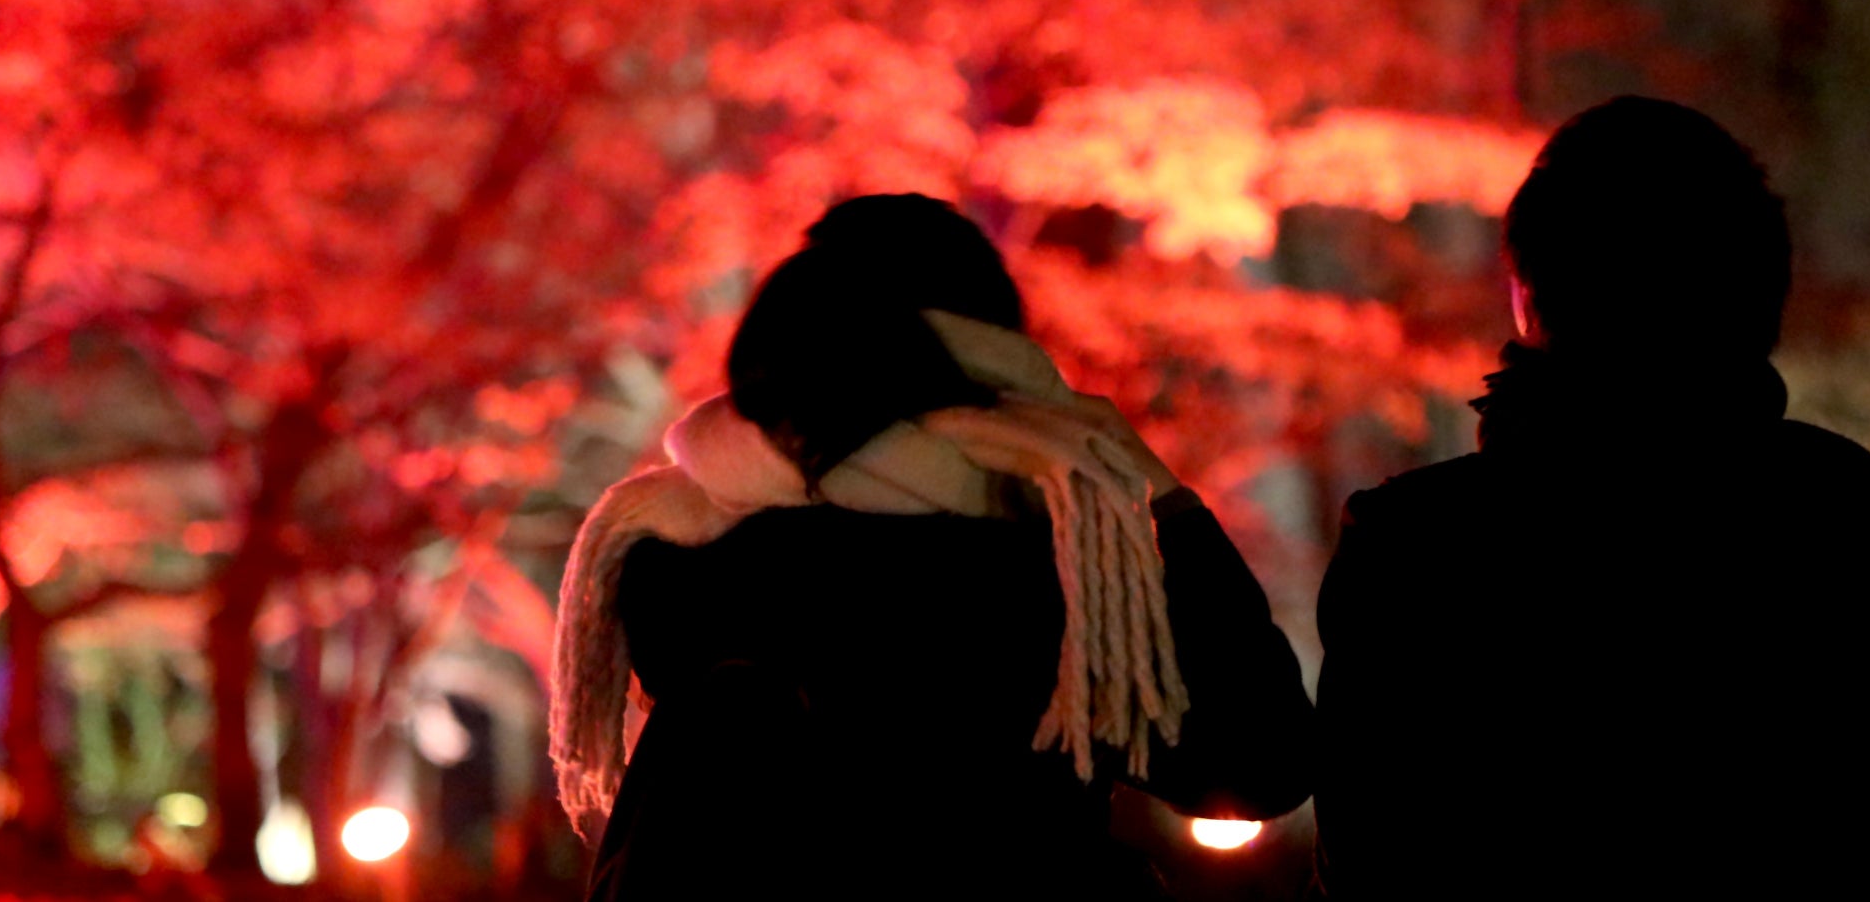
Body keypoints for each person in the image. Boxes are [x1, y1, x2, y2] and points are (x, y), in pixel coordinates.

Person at [551, 194, 1313, 901]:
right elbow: (1259, 763)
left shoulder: (678, 560)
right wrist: (1164, 501)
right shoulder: (1036, 583)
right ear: (1000, 371)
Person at [1312, 97, 1870, 899]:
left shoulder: (1419, 541)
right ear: (1764, 299)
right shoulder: (1858, 518)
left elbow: (1374, 858)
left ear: (1527, 294)